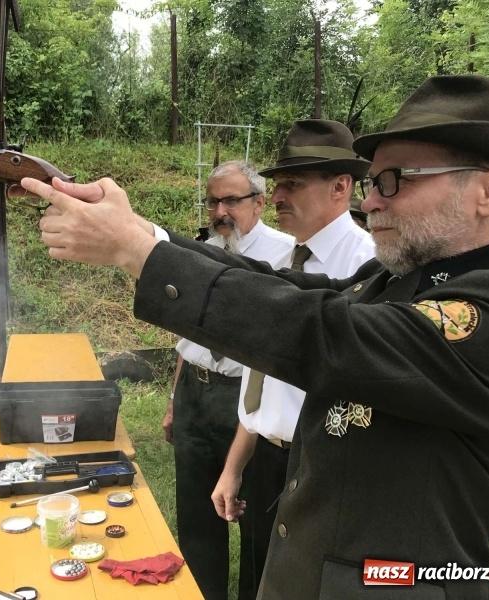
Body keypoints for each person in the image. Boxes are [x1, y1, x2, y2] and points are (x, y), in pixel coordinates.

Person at [19, 74, 489, 599]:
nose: (372, 201)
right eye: (374, 181)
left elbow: (318, 329)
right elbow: (280, 285)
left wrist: (135, 253)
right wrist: (144, 234)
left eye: (395, 180)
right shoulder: (400, 281)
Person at [210, 120, 375, 599]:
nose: (276, 196)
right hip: (266, 459)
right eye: (277, 183)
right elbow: (262, 382)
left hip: (325, 468)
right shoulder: (283, 265)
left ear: (341, 187)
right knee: (260, 578)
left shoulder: (368, 270)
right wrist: (235, 466)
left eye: (292, 184)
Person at [164, 160, 293, 600]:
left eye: (231, 200)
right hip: (195, 392)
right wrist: (172, 402)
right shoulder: (200, 250)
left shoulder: (286, 254)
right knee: (196, 512)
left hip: (249, 400)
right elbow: (188, 337)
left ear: (259, 203)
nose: (220, 210)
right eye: (213, 200)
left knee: (256, 515)